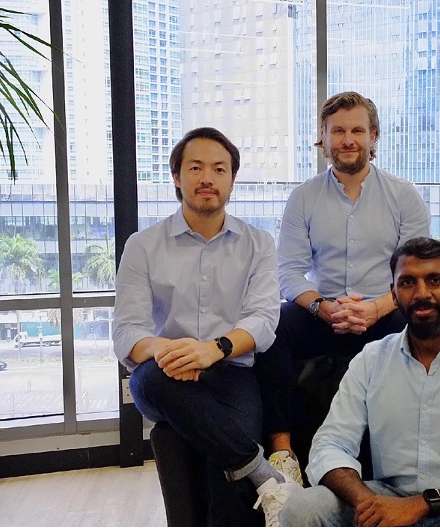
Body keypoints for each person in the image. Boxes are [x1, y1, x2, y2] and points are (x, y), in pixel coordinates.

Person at [279, 237, 440, 527]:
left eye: (435, 280)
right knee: (304, 507)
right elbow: (329, 445)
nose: (422, 293)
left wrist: (422, 504)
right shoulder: (371, 360)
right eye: (407, 283)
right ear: (393, 294)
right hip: (386, 498)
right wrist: (367, 502)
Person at [112, 127, 301, 527]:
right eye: (195, 167)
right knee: (152, 381)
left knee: (224, 455)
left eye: (219, 169)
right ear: (176, 177)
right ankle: (264, 475)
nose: (207, 179)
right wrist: (175, 352)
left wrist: (213, 349)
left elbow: (264, 321)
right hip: (164, 373)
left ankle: (245, 483)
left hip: (231, 371)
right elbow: (127, 332)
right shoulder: (143, 246)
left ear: (232, 179)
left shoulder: (258, 244)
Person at [255, 91, 431, 482]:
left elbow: (415, 275)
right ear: (324, 138)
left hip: (385, 311)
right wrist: (323, 307)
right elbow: (289, 273)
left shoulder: (404, 197)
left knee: (427, 324)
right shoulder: (303, 197)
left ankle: (411, 459)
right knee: (270, 328)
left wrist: (377, 308)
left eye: (356, 130)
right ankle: (283, 454)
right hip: (324, 312)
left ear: (374, 136)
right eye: (338, 131)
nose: (347, 139)